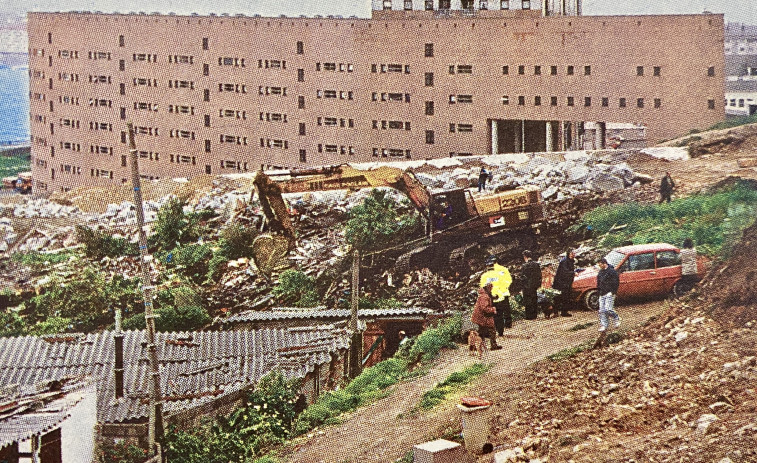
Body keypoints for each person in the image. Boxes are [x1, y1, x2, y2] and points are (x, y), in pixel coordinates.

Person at [480, 255, 513, 334]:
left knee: (493, 314)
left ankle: (493, 330)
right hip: (500, 296)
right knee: (500, 313)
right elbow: (506, 282)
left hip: (491, 297)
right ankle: (501, 330)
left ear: (487, 266)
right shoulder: (500, 273)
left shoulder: (484, 276)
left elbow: (482, 287)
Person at [593, 257, 621, 349]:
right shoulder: (600, 272)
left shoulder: (612, 271)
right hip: (602, 293)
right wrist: (599, 290)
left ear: (604, 263)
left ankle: (616, 318)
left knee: (608, 309)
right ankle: (604, 325)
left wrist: (612, 292)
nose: (599, 266)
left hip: (609, 293)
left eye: (600, 264)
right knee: (602, 310)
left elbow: (616, 282)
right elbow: (598, 281)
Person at [471, 280, 502, 350]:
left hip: (479, 316)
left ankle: (475, 346)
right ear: (488, 287)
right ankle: (493, 346)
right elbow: (484, 308)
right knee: (492, 329)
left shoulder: (483, 294)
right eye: (491, 286)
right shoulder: (484, 296)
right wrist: (493, 309)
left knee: (481, 332)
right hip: (483, 316)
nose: (492, 288)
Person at [551, 249, 576, 317]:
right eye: (572, 253)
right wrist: (573, 273)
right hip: (560, 282)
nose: (573, 255)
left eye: (574, 253)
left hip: (566, 282)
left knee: (566, 297)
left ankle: (564, 312)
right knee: (559, 297)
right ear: (568, 254)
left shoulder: (570, 261)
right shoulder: (564, 261)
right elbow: (564, 272)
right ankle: (556, 312)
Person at [520, 250, 541, 320]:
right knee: (534, 299)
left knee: (528, 301)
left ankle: (529, 316)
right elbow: (539, 275)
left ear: (525, 256)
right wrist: (538, 284)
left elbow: (523, 277)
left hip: (527, 286)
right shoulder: (536, 264)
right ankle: (535, 314)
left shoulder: (524, 266)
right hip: (534, 285)